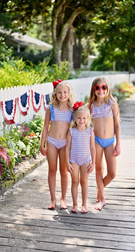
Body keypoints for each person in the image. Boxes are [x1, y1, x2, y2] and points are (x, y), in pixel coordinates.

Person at [40, 79, 75, 210]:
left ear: (69, 93)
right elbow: (45, 127)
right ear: (55, 93)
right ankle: (53, 199)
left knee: (64, 172)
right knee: (52, 170)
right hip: (52, 141)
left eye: (65, 92)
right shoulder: (51, 108)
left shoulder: (72, 109)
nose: (62, 95)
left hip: (65, 144)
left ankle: (63, 199)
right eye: (59, 92)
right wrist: (42, 143)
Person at [88, 77, 121, 211]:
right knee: (99, 170)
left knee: (112, 173)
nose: (101, 90)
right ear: (94, 89)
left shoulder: (112, 104)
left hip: (109, 142)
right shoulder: (90, 106)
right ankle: (102, 199)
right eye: (97, 88)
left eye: (104, 87)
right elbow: (81, 118)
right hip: (96, 141)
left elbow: (117, 125)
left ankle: (99, 188)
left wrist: (118, 143)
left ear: (107, 88)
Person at [66, 102, 96, 214]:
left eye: (84, 118)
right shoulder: (71, 132)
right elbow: (67, 148)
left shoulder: (90, 132)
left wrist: (93, 163)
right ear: (74, 118)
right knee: (75, 181)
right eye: (79, 118)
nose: (81, 120)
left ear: (88, 118)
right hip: (73, 160)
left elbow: (93, 148)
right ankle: (74, 204)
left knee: (84, 182)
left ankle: (84, 204)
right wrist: (67, 162)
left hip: (85, 160)